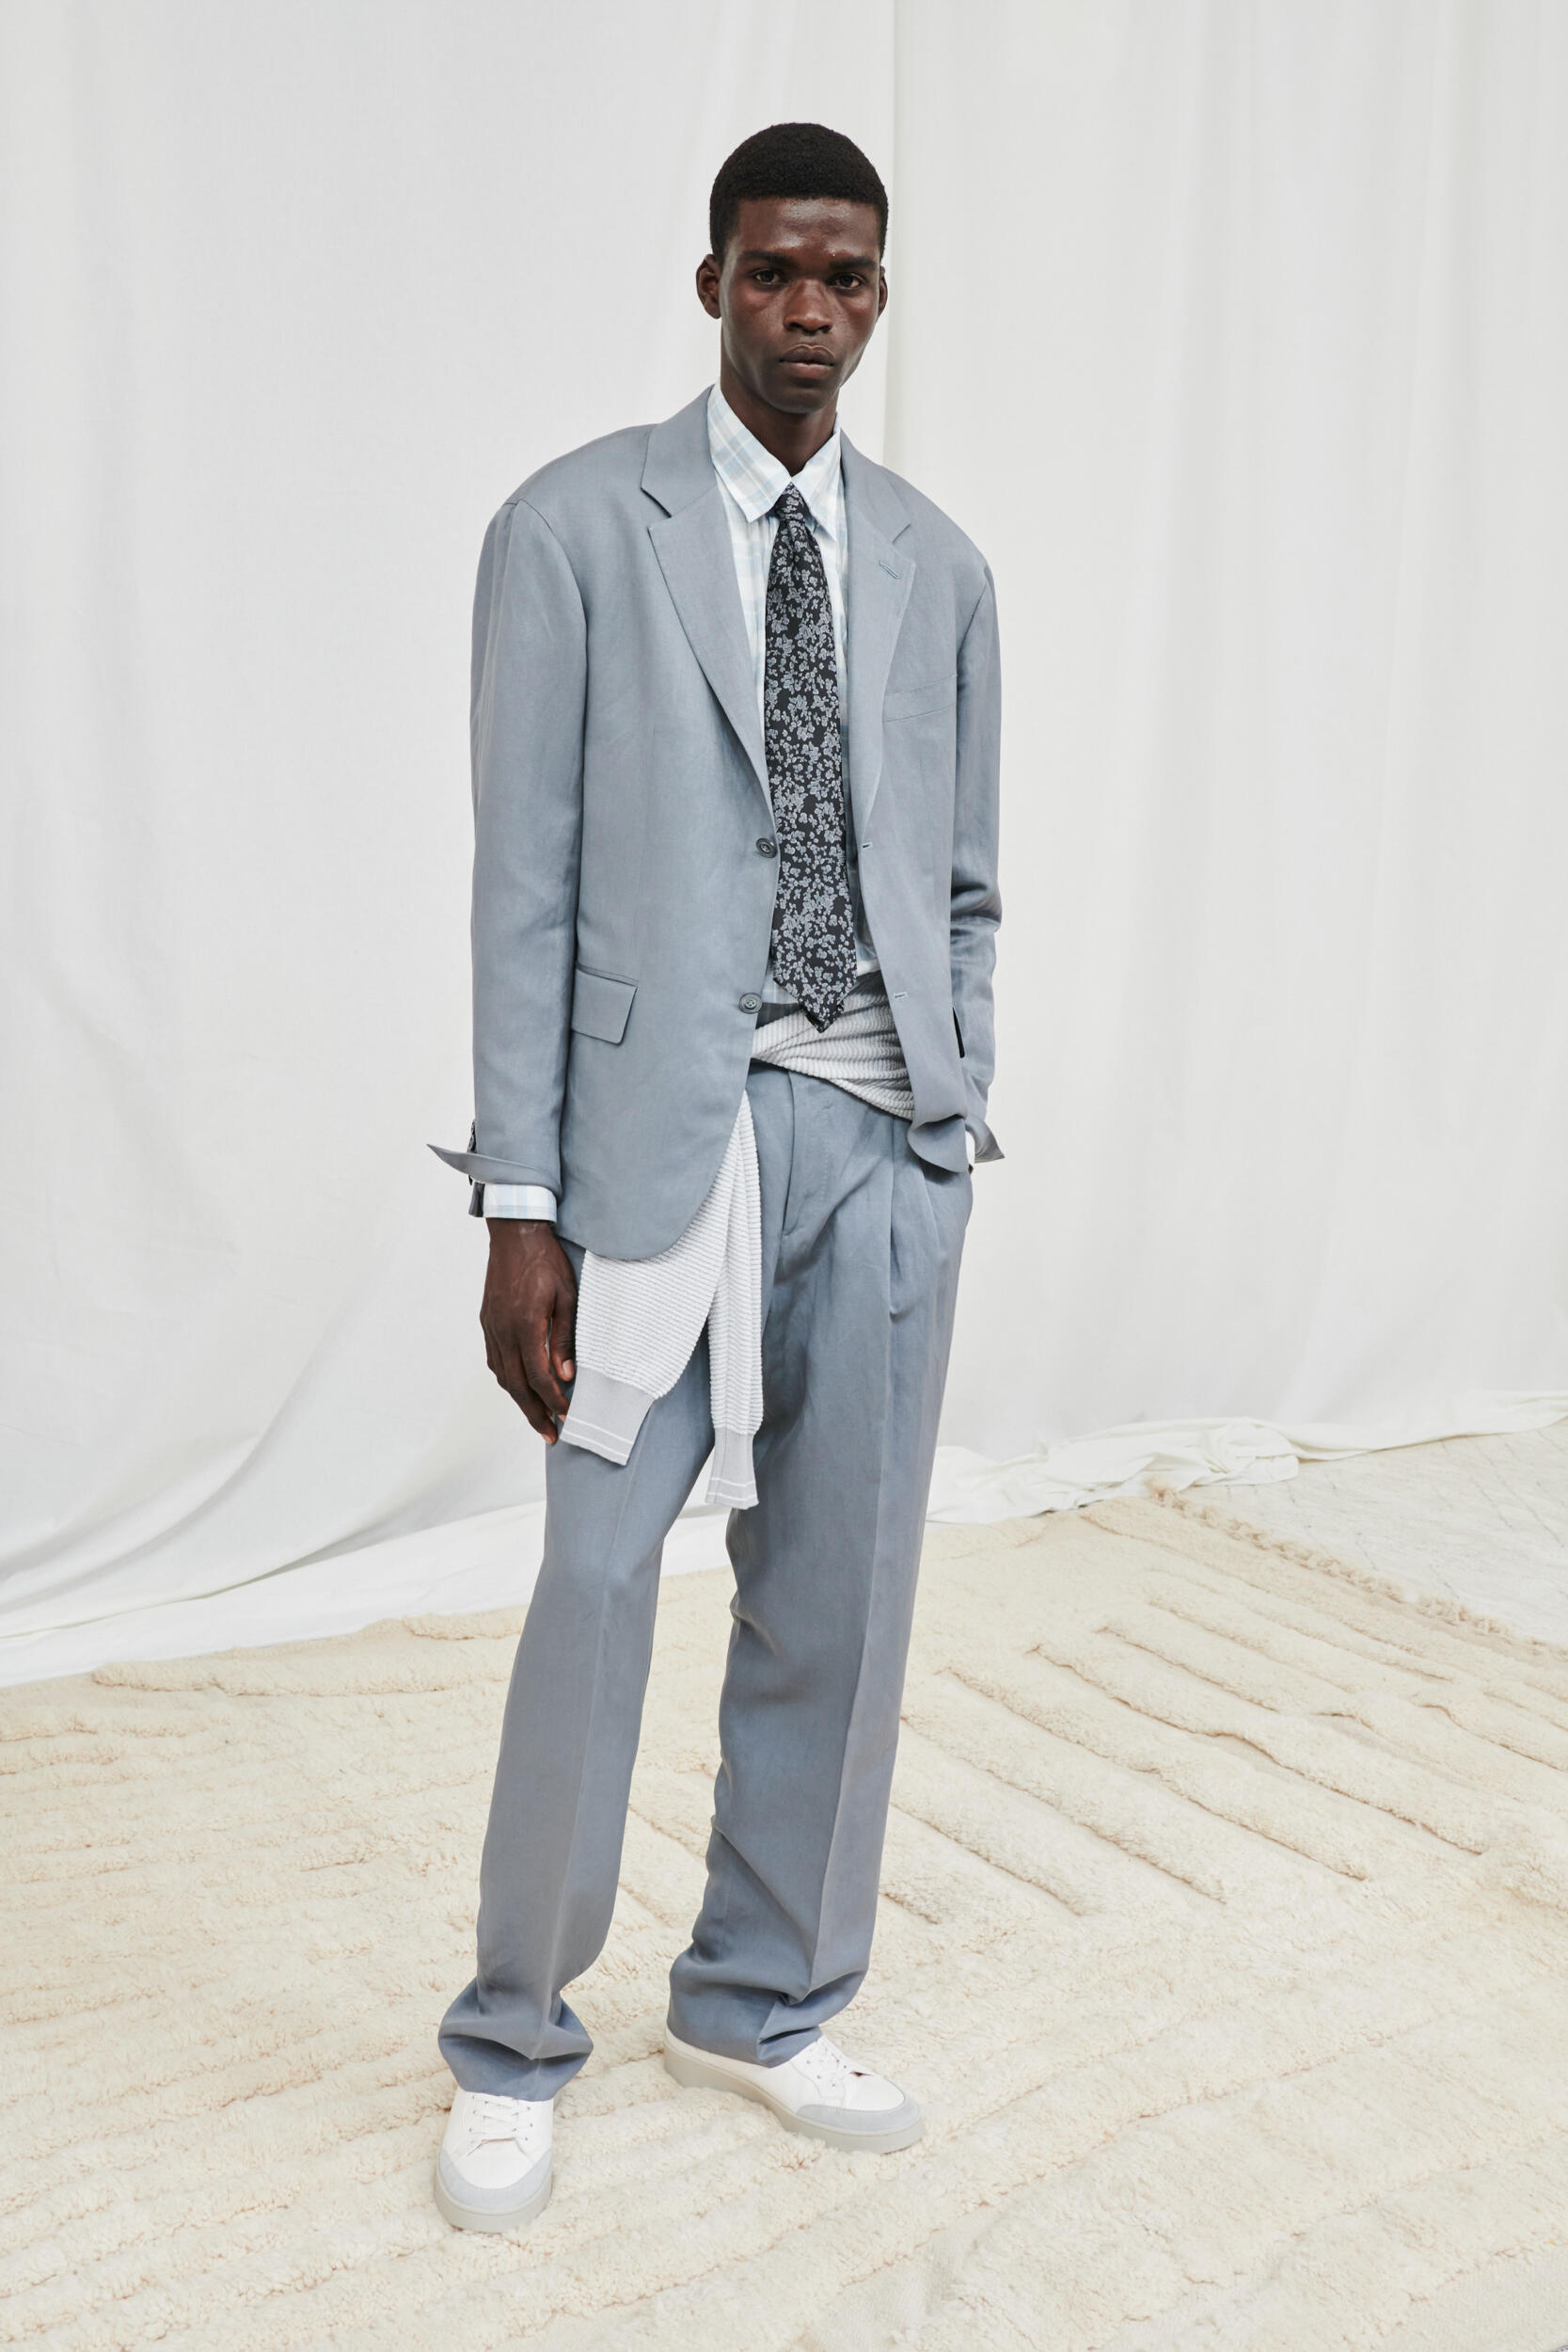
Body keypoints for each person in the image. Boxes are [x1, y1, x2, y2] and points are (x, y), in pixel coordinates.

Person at [429, 120, 1002, 2233]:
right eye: (773, 272)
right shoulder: (575, 527)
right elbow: (522, 887)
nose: (809, 312)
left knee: (841, 1602)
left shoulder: (940, 566)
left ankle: (764, 1996)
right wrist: (519, 1199)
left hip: (880, 1147)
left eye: (844, 277)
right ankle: (512, 2036)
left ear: (880, 297)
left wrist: (948, 1111)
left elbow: (965, 881)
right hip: (647, 1156)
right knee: (596, 1588)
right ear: (712, 285)